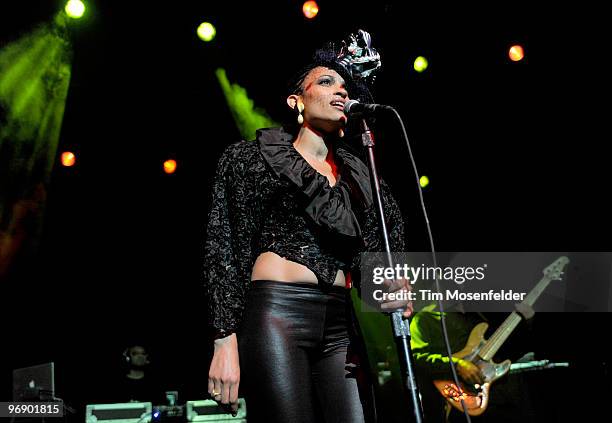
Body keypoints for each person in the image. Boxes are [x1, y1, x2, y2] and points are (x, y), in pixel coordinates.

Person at [203, 30, 411, 422]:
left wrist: (391, 283)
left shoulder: (359, 175)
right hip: (277, 314)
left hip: (339, 321)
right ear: (296, 101)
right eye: (326, 81)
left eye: (345, 86)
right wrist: (223, 340)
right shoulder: (252, 159)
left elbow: (386, 240)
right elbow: (223, 248)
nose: (340, 91)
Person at [410, 304, 536, 422]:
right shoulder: (425, 318)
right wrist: (457, 365)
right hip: (459, 402)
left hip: (501, 400)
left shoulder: (479, 313)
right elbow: (416, 358)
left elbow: (510, 353)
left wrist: (527, 321)